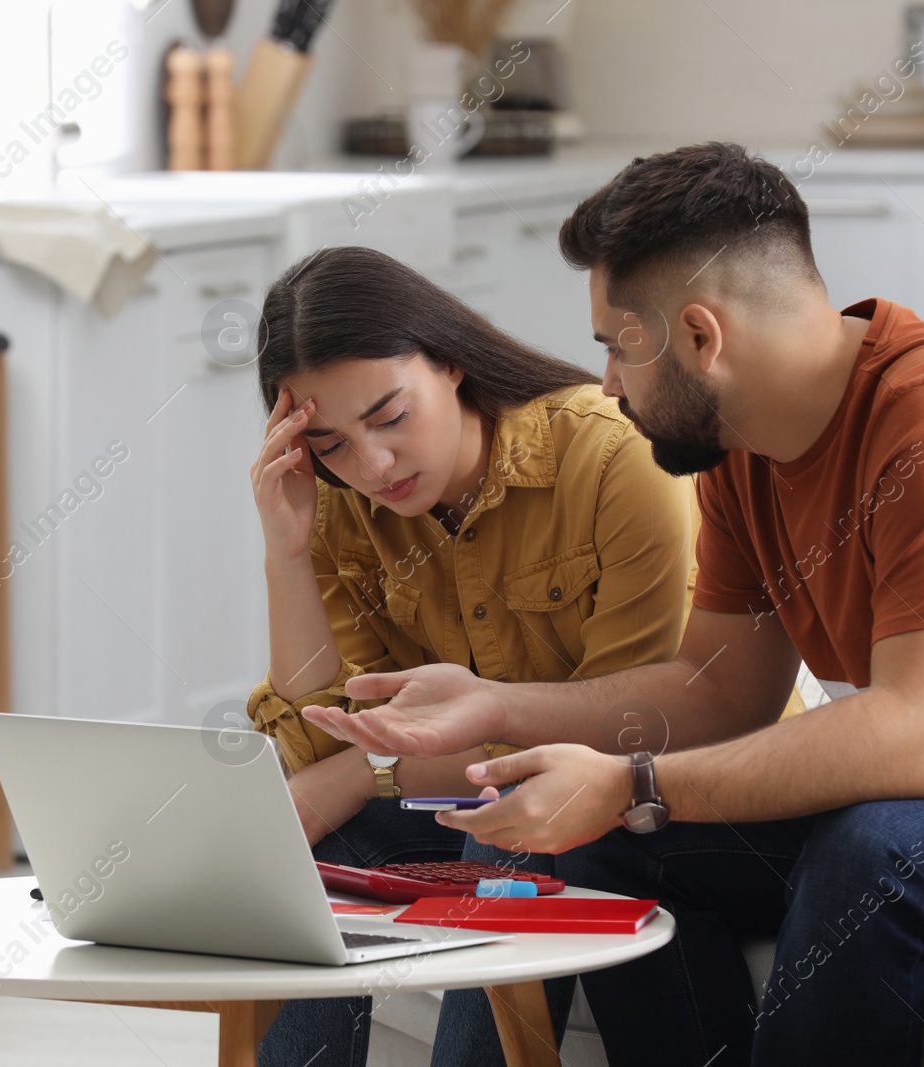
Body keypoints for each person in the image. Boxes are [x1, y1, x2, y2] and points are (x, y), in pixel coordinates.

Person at [303, 144, 924, 1067]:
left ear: (702, 337)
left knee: (875, 854)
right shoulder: (738, 447)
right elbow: (719, 690)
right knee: (607, 849)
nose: (610, 386)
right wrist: (500, 703)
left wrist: (636, 781)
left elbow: (915, 737)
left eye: (617, 349)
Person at [244, 246, 717, 1067]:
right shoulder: (343, 507)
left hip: (675, 791)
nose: (373, 465)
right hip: (486, 785)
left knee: (510, 823)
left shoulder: (610, 456)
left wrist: (366, 773)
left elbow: (633, 725)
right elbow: (325, 741)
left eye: (391, 417)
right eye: (330, 444)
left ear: (452, 362)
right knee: (310, 856)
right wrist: (286, 552)